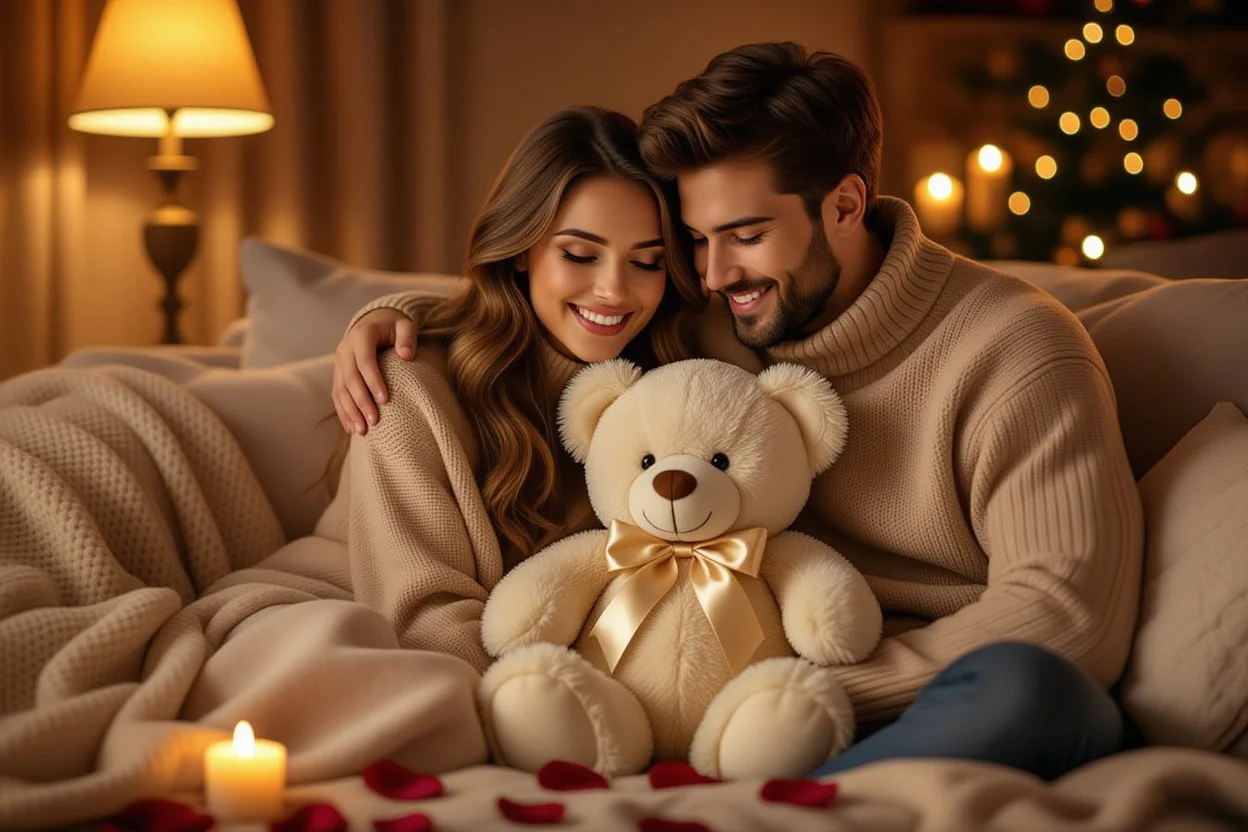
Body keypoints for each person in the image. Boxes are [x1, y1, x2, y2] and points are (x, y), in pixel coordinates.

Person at [333, 44, 1143, 782]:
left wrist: (795, 700)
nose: (714, 274)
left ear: (846, 205)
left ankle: (778, 804)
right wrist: (397, 321)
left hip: (911, 693)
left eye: (745, 235)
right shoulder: (718, 325)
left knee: (1030, 690)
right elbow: (541, 317)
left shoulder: (1016, 350)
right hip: (728, 699)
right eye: (693, 241)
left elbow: (1069, 617)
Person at [319, 105, 703, 674]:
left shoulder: (672, 388)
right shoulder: (403, 386)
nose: (614, 290)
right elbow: (421, 624)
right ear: (521, 247)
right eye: (579, 255)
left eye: (647, 262)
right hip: (354, 623)